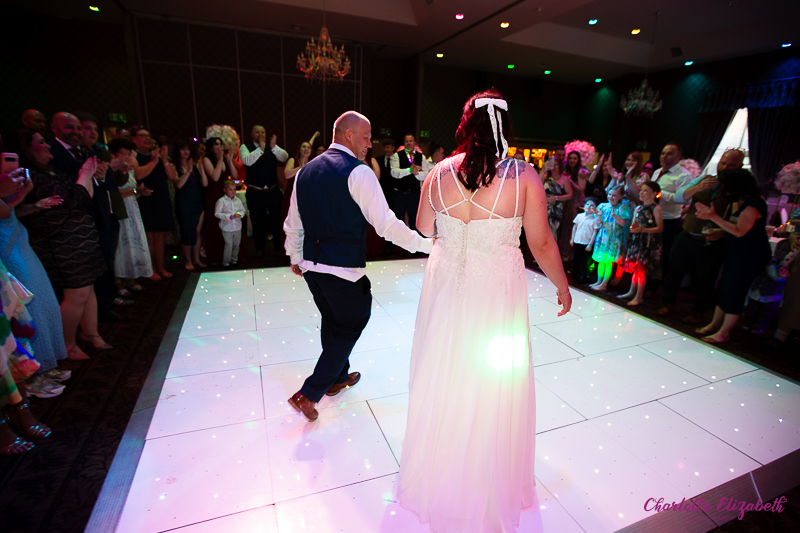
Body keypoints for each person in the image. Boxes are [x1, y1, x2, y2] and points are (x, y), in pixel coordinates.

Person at [397, 89, 570, 533]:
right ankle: (486, 480)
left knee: (445, 372)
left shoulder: (439, 172)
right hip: (495, 295)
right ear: (504, 127)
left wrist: (454, 223)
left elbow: (423, 227)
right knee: (494, 379)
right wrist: (562, 284)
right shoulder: (523, 176)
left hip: (446, 290)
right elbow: (541, 242)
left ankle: (440, 472)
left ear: (466, 125)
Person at [283, 111, 433, 423]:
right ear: (348, 135)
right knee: (352, 321)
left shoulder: (305, 171)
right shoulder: (358, 172)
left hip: (312, 265)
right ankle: (309, 392)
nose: (369, 144)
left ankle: (337, 378)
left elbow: (293, 223)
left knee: (333, 319)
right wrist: (427, 245)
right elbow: (386, 225)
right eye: (366, 137)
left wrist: (295, 257)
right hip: (342, 268)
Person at [17, 131, 109, 359]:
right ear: (26, 149)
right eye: (41, 142)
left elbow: (84, 198)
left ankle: (91, 333)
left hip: (79, 240)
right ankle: (66, 344)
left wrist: (88, 175)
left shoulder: (53, 172)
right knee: (77, 294)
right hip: (60, 243)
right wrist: (84, 174)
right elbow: (73, 200)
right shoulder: (33, 177)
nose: (48, 145)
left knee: (88, 289)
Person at [657, 149, 744, 322]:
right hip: (688, 233)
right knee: (674, 270)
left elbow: (738, 218)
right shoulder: (705, 179)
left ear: (739, 167)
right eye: (723, 163)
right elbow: (679, 197)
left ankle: (698, 312)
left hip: (711, 240)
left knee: (706, 278)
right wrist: (698, 187)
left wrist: (722, 232)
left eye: (731, 165)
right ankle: (667, 303)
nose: (725, 167)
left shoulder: (739, 189)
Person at [694, 169, 771, 343]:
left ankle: (724, 332)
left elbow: (739, 231)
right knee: (725, 287)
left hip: (751, 255)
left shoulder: (754, 204)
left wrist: (713, 217)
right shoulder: (741, 201)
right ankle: (715, 324)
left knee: (736, 291)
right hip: (737, 251)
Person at [132, 127, 176, 279]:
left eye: (148, 136)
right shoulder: (135, 156)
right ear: (134, 139)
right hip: (146, 198)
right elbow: (138, 174)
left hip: (161, 198)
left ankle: (160, 267)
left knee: (160, 236)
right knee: (149, 237)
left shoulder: (158, 157)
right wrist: (154, 161)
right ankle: (150, 270)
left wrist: (163, 160)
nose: (147, 138)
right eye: (142, 135)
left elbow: (172, 176)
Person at [111, 139, 154, 291]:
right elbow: (113, 194)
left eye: (128, 154)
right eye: (122, 153)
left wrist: (140, 192)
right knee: (120, 246)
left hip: (132, 208)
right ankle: (117, 280)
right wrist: (135, 191)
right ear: (113, 154)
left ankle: (129, 277)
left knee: (131, 245)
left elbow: (133, 190)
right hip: (118, 210)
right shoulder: (112, 170)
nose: (126, 157)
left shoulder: (129, 169)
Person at [239, 125, 288, 257]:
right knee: (257, 221)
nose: (260, 134)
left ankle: (278, 247)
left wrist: (274, 147)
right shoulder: (245, 147)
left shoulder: (271, 147)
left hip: (273, 190)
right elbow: (247, 161)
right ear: (252, 134)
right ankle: (260, 248)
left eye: (263, 132)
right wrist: (260, 149)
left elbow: (284, 157)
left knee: (277, 220)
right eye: (257, 132)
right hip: (255, 191)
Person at [650, 143, 693, 280]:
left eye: (669, 153)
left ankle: (657, 284)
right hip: (651, 216)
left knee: (662, 254)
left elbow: (685, 200)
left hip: (668, 220)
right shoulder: (657, 172)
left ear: (678, 156)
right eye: (663, 153)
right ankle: (644, 282)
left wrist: (660, 193)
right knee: (649, 252)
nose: (665, 156)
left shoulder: (684, 176)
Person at [742, 234, 799, 335]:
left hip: (771, 296)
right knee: (751, 309)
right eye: (778, 248)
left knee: (765, 314)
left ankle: (758, 327)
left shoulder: (785, 266)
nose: (779, 251)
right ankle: (747, 323)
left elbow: (778, 278)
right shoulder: (770, 259)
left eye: (783, 250)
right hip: (757, 291)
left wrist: (770, 266)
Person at [620, 181, 664, 306]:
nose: (642, 193)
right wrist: (633, 229)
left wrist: (643, 229)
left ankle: (639, 296)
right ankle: (631, 291)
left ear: (654, 194)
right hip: (637, 240)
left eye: (645, 191)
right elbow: (633, 225)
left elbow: (660, 228)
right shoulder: (638, 208)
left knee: (641, 270)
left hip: (649, 242)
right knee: (636, 268)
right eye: (641, 190)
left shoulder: (656, 209)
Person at [171, 139, 207, 271]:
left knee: (197, 232)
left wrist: (201, 169)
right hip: (184, 202)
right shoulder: (174, 166)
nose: (186, 152)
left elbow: (205, 184)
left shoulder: (195, 165)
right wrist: (188, 171)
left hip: (198, 201)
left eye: (187, 149)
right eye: (182, 149)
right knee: (187, 231)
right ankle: (187, 260)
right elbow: (178, 184)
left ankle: (196, 259)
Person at [587, 187, 631, 291]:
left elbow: (623, 223)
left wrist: (615, 216)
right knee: (601, 260)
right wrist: (599, 216)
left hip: (613, 238)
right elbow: (598, 222)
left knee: (608, 262)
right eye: (610, 194)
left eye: (614, 195)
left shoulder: (622, 208)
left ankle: (604, 283)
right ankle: (599, 281)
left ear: (620, 197)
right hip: (603, 236)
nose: (611, 197)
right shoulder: (603, 206)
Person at [203, 137, 238, 265]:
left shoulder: (224, 159)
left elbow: (234, 176)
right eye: (216, 145)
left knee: (228, 223)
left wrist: (230, 160)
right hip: (213, 195)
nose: (220, 147)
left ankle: (230, 255)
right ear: (210, 147)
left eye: (221, 144)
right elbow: (215, 177)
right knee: (216, 224)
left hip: (225, 194)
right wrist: (219, 160)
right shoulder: (207, 160)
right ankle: (216, 256)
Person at [389, 134, 430, 232]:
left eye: (410, 141)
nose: (408, 143)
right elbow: (394, 172)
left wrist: (416, 173)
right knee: (396, 221)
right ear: (404, 143)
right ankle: (394, 241)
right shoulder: (397, 155)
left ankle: (414, 241)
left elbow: (426, 174)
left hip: (414, 194)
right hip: (399, 194)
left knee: (414, 222)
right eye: (406, 141)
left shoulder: (421, 157)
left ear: (414, 142)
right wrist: (409, 170)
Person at [557, 150, 588, 260]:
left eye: (575, 158)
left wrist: (569, 181)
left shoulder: (581, 172)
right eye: (570, 158)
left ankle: (568, 253)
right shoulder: (565, 170)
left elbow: (581, 190)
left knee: (571, 227)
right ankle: (561, 251)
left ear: (578, 160)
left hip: (575, 201)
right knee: (563, 227)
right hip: (566, 200)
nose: (572, 160)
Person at [214, 180, 246, 267]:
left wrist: (239, 214)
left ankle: (234, 260)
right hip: (227, 227)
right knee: (229, 245)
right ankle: (226, 262)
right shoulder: (221, 201)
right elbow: (217, 213)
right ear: (224, 190)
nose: (233, 192)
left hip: (237, 227)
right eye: (230, 189)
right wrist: (229, 216)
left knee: (236, 245)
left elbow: (243, 210)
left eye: (234, 189)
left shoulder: (238, 200)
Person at [542, 155, 573, 240]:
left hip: (557, 210)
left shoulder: (564, 179)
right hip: (544, 208)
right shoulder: (545, 177)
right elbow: (536, 185)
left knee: (554, 234)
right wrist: (544, 170)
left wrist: (555, 198)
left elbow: (570, 195)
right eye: (552, 165)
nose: (554, 168)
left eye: (556, 165)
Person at [571, 197, 599, 283]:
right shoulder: (579, 216)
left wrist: (590, 244)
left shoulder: (595, 219)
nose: (589, 207)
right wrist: (572, 239)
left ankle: (583, 276)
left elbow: (594, 232)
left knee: (585, 261)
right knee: (576, 258)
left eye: (592, 205)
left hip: (586, 243)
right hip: (578, 241)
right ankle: (574, 273)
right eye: (587, 204)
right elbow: (575, 228)